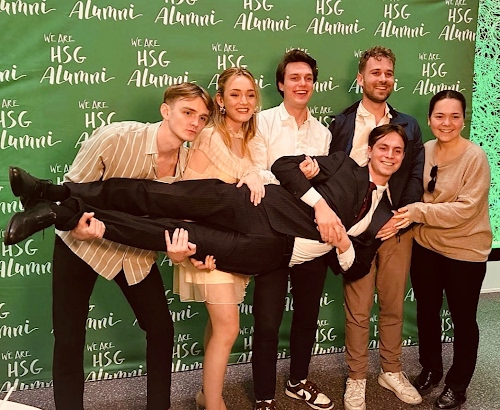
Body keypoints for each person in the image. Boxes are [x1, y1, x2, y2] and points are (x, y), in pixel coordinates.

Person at [10, 82, 213, 410]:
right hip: (81, 244)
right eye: (188, 112)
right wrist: (76, 225)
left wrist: (177, 255)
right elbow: (75, 190)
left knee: (161, 329)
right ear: (165, 110)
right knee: (69, 337)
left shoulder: (191, 165)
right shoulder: (114, 137)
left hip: (133, 252)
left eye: (202, 118)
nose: (195, 122)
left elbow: (175, 223)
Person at [6, 124, 409, 285]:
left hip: (268, 251)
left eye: (397, 151)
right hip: (253, 203)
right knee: (158, 194)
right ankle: (53, 192)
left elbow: (357, 269)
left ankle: (57, 215)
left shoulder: (387, 213)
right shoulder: (343, 165)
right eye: (384, 147)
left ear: (403, 158)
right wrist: (320, 205)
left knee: (166, 235)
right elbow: (284, 166)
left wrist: (343, 244)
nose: (389, 155)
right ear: (371, 150)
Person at [328, 45, 424, 410]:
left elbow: (415, 173)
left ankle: (391, 370)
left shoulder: (409, 125)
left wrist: (402, 214)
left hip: (397, 228)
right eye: (375, 72)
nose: (382, 79)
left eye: (387, 73)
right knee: (357, 308)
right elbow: (333, 175)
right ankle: (357, 377)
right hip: (356, 233)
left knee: (393, 305)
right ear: (361, 78)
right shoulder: (342, 123)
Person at [170, 67, 265, 410]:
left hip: (233, 246)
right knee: (227, 328)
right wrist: (192, 249)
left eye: (250, 94)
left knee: (219, 325)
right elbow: (190, 194)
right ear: (221, 101)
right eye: (235, 94)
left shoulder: (252, 140)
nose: (244, 101)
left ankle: (205, 395)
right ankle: (214, 404)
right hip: (204, 245)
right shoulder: (210, 136)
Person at [394, 90, 492, 410]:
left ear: (463, 120)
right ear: (429, 119)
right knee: (426, 311)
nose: (446, 123)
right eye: (439, 116)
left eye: (454, 116)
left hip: (465, 250)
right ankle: (431, 368)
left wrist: (418, 212)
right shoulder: (424, 151)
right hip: (426, 246)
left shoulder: (475, 157)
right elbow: (412, 191)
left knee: (463, 320)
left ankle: (457, 384)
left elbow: (465, 209)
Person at [249, 48, 335, 410]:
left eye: (308, 78)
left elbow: (328, 186)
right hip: (272, 234)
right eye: (294, 78)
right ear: (281, 84)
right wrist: (297, 177)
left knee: (307, 316)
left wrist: (314, 177)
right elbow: (257, 173)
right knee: (267, 321)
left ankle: (298, 381)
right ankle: (264, 397)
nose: (302, 84)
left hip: (312, 234)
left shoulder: (324, 133)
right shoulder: (262, 122)